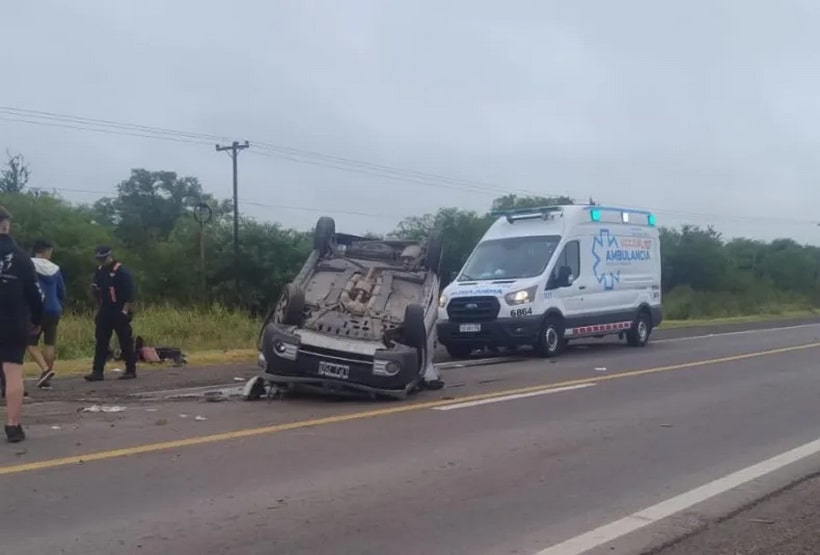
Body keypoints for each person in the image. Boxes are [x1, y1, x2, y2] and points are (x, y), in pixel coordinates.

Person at [0, 205, 44, 443]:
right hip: (12, 320)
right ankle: (13, 425)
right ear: (7, 225)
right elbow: (36, 294)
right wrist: (36, 320)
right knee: (13, 372)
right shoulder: (21, 257)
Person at [85, 245, 137, 381]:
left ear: (109, 256)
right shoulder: (99, 271)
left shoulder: (121, 271)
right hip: (105, 309)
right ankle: (97, 371)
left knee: (125, 340)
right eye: (99, 259)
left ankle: (131, 369)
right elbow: (97, 290)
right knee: (101, 340)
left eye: (103, 258)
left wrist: (125, 312)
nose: (101, 261)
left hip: (120, 308)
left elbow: (129, 294)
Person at [27, 239, 66, 389]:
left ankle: (45, 370)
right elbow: (62, 291)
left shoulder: (29, 265)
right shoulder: (55, 268)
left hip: (36, 309)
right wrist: (59, 304)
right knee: (49, 343)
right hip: (54, 309)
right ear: (46, 251)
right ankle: (47, 380)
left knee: (29, 342)